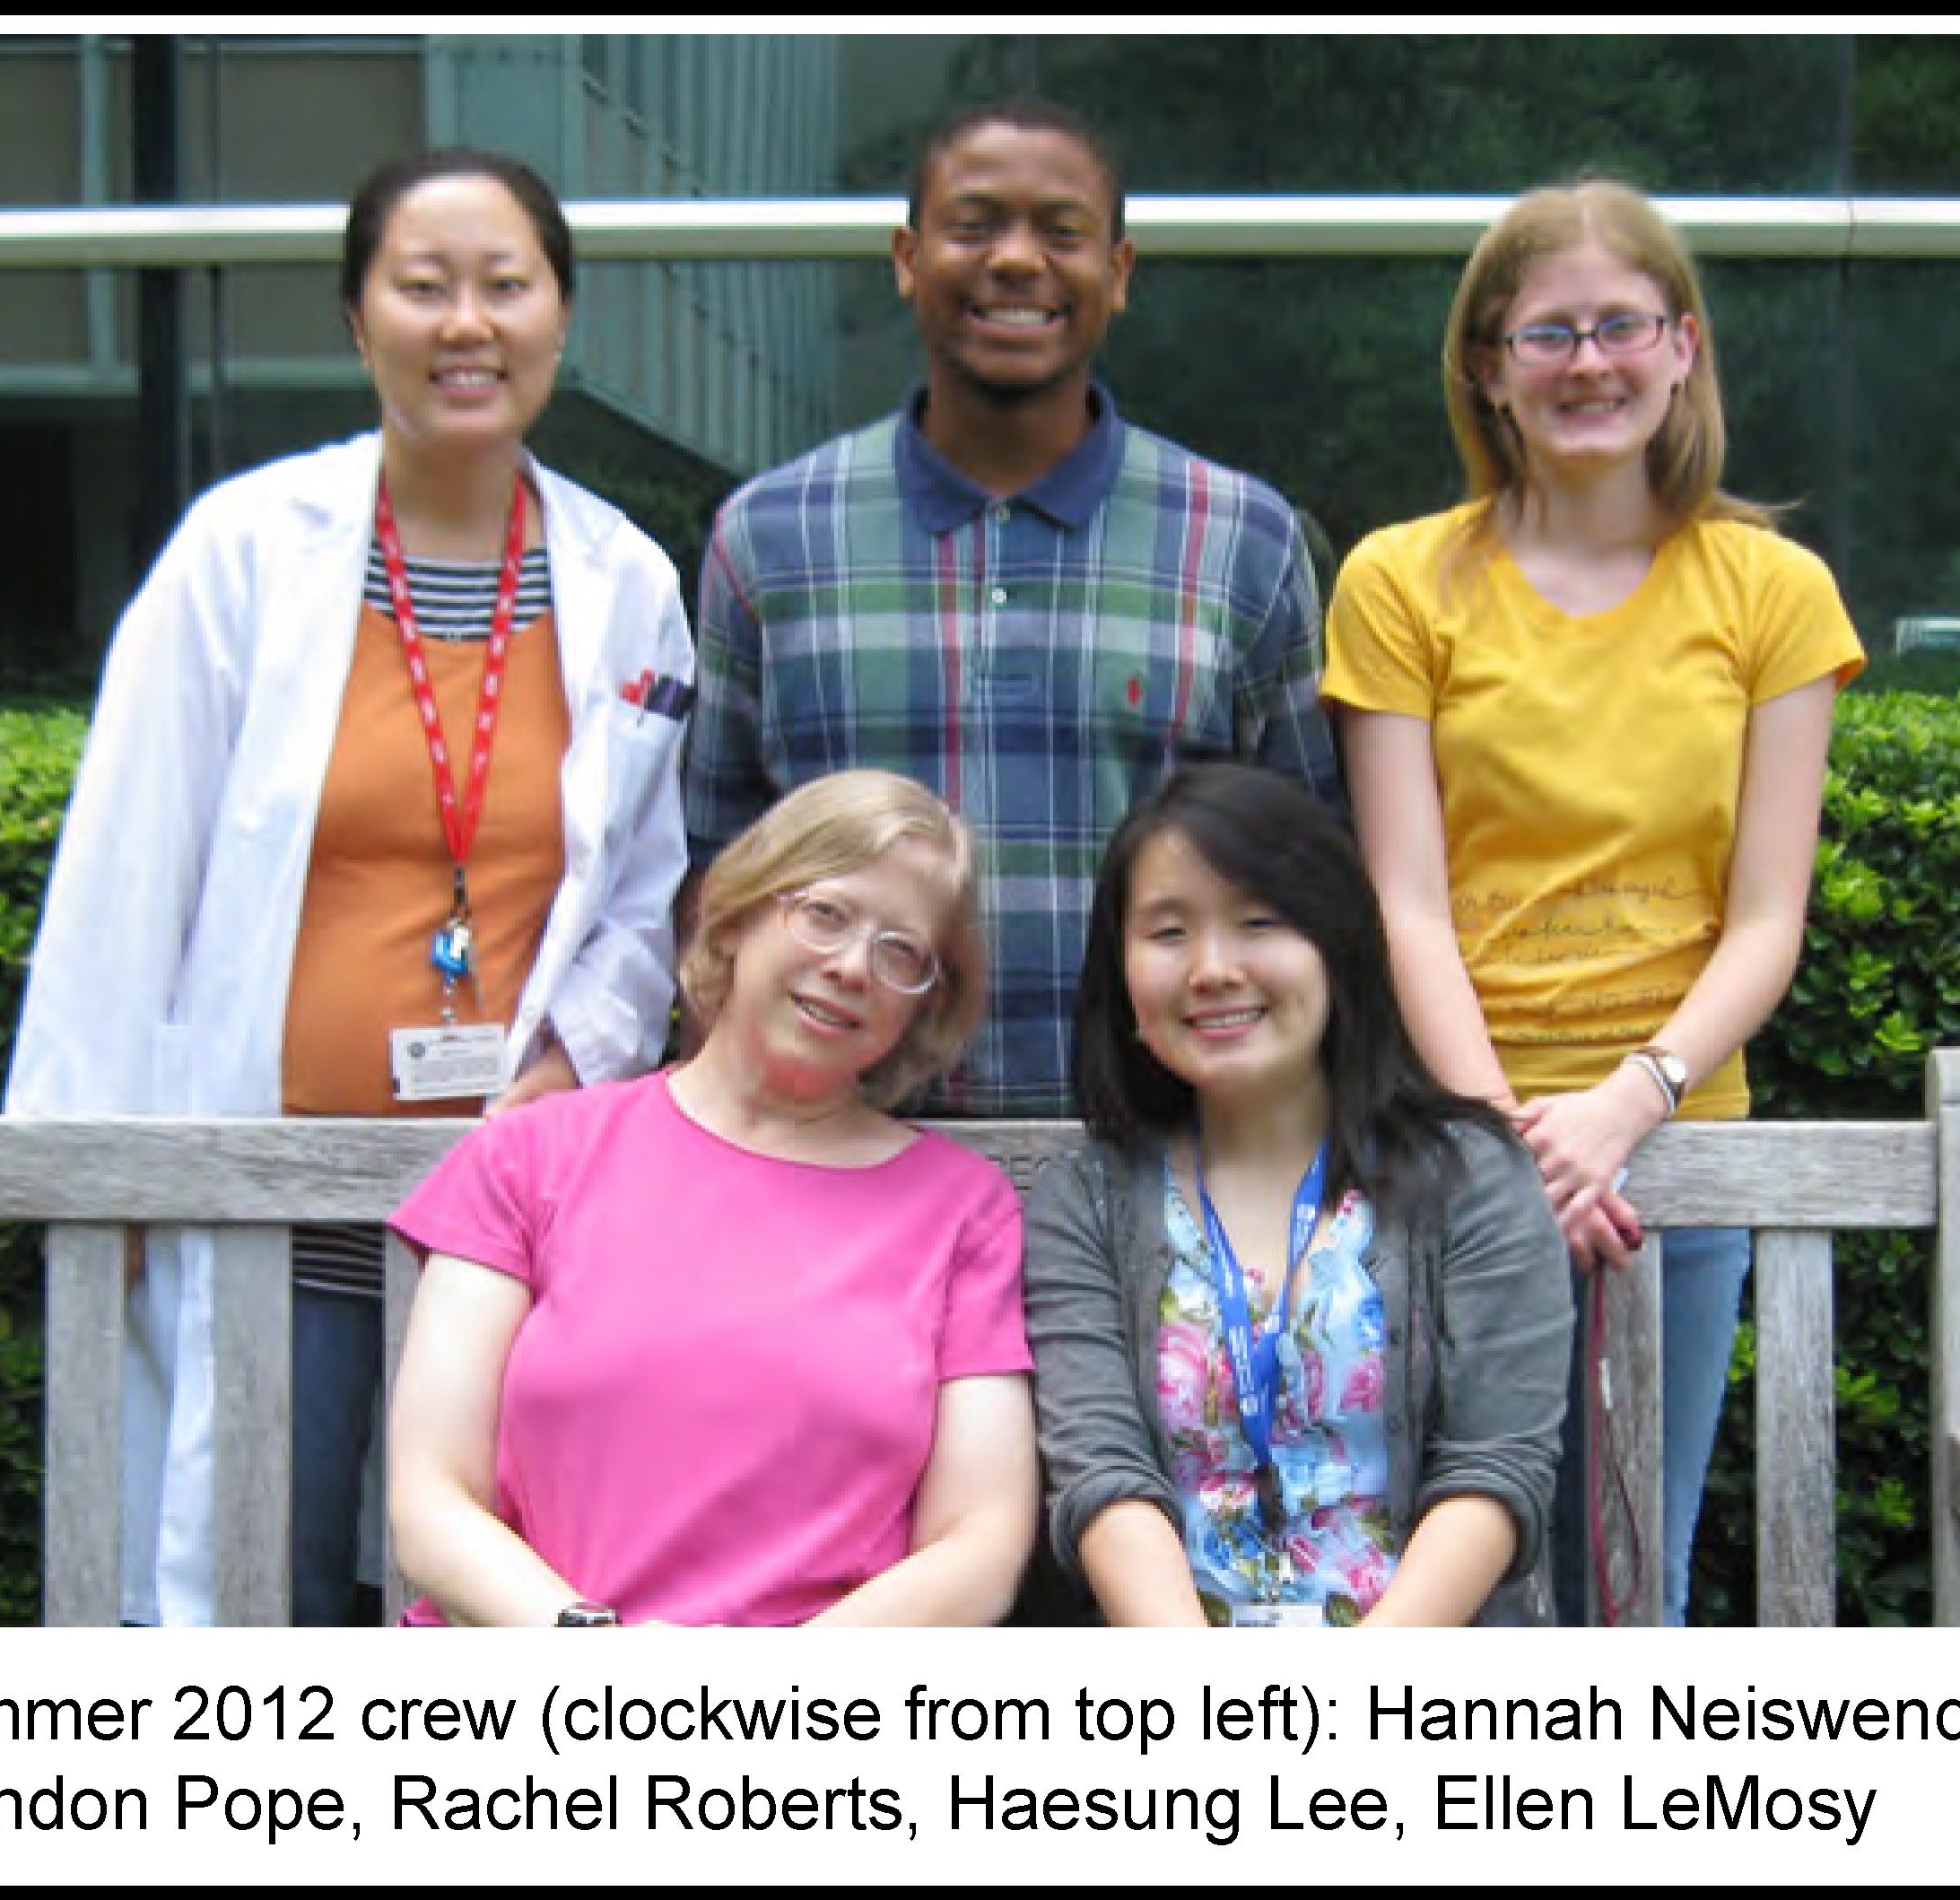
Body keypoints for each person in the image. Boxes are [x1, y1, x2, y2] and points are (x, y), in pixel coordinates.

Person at [5, 147, 693, 1626]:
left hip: (504, 1229)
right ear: (355, 318)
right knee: (266, 1600)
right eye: (423, 286)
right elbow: (124, 881)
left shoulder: (626, 580)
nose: (468, 324)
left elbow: (646, 896)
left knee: (488, 1618)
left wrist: (571, 1060)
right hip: (265, 1211)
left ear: (561, 317)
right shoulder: (244, 553)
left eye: (505, 285)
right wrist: (91, 1173)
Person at [1320, 180, 1866, 1625]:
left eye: (1620, 325)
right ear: (1485, 367)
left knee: (1635, 1578)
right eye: (1545, 333)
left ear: (1681, 347)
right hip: (1442, 1149)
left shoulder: (1771, 590)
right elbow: (1404, 902)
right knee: (1430, 1584)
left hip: (1675, 1157)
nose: (1586, 363)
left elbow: (1765, 918)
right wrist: (1505, 1141)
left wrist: (1627, 1103)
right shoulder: (1396, 580)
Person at [684, 96, 1344, 1120]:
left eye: (1061, 232)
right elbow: (711, 880)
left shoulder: (1239, 542)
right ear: (907, 259)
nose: (1017, 260)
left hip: (1156, 1153)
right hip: (838, 1158)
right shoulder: (772, 537)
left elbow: (1310, 882)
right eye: (975, 225)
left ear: (1117, 273)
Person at [386, 771, 1038, 1626]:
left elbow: (979, 1541)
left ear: (926, 1003)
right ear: (735, 918)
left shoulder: (961, 1212)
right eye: (825, 914)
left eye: (900, 952)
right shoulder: (532, 1154)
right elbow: (432, 1500)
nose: (851, 967)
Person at [1023, 764, 1571, 1626]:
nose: (1211, 968)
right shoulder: (1086, 1200)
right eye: (1168, 932)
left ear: (1336, 945)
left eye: (1258, 923)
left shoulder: (1470, 1176)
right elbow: (1101, 1474)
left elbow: (1494, 1468)